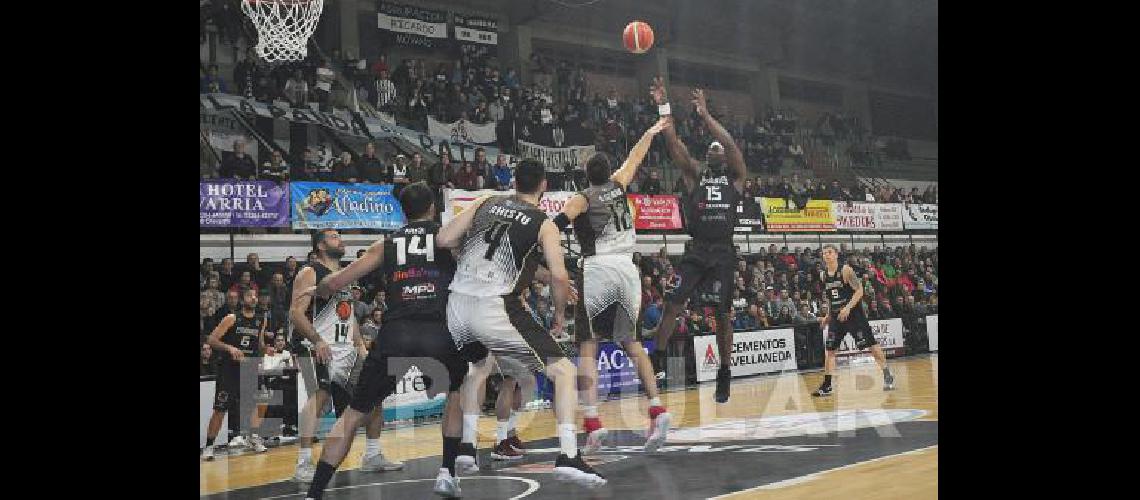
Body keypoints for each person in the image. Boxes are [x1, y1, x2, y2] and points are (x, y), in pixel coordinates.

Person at [437, 159, 605, 487]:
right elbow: (559, 275)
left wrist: (469, 260)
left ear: (514, 182)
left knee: (478, 368)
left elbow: (444, 239)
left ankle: (467, 449)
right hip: (495, 307)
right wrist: (558, 315)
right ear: (542, 185)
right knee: (565, 372)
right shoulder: (544, 224)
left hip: (457, 304)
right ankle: (569, 456)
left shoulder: (487, 201)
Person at [299, 183, 470, 499]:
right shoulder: (448, 238)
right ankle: (447, 472)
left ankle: (314, 493)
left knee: (353, 414)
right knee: (457, 393)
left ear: (403, 212)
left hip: (397, 333)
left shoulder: (385, 244)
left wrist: (317, 289)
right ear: (432, 207)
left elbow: (336, 281)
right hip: (439, 330)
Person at [554, 116, 673, 454]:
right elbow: (635, 156)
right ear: (608, 171)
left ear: (587, 176)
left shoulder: (582, 198)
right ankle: (657, 408)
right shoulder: (619, 184)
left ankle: (593, 424)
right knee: (633, 344)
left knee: (588, 347)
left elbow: (559, 223)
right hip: (627, 269)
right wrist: (650, 130)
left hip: (598, 270)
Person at [648, 77, 746, 403]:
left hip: (722, 254)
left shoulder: (737, 178)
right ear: (706, 157)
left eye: (719, 148)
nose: (717, 149)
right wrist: (664, 107)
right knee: (673, 304)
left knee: (721, 316)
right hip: (696, 250)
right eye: (712, 148)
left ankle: (724, 372)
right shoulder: (695, 175)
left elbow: (730, 144)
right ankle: (658, 359)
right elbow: (674, 143)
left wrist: (705, 116)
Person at [289, 229, 400, 483]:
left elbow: (347, 316)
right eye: (333, 236)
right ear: (319, 245)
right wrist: (317, 341)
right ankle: (304, 462)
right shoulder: (309, 272)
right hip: (314, 344)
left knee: (375, 394)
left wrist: (359, 345)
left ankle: (372, 455)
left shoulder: (344, 277)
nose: (340, 239)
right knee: (320, 394)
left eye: (340, 235)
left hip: (346, 349)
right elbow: (295, 313)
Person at [812, 245, 895, 396]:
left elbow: (859, 290)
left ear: (836, 255)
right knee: (830, 351)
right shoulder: (823, 275)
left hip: (854, 315)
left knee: (871, 345)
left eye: (829, 252)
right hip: (837, 317)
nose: (827, 255)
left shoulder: (845, 270)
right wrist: (828, 316)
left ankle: (887, 373)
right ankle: (827, 384)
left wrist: (848, 307)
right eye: (824, 253)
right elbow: (831, 298)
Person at [202, 287, 269, 460]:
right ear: (242, 299)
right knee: (220, 408)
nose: (253, 298)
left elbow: (259, 344)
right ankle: (209, 446)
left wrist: (265, 350)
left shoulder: (261, 320)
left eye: (255, 296)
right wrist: (229, 348)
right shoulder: (232, 318)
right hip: (229, 369)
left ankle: (252, 437)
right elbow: (211, 339)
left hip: (249, 368)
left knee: (257, 404)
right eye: (249, 295)